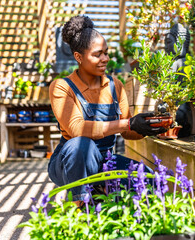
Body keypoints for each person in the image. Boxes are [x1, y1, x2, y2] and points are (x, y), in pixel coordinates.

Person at [48, 15, 167, 204]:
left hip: (105, 160)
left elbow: (128, 131)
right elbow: (77, 129)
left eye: (106, 52)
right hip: (70, 160)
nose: (105, 59)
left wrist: (148, 127)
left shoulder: (115, 86)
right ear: (78, 57)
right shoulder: (62, 86)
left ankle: (100, 194)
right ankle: (81, 209)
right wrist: (127, 123)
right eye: (97, 54)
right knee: (81, 146)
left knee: (152, 182)